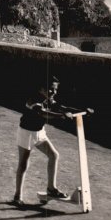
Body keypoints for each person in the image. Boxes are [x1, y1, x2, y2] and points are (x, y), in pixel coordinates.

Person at [12, 77, 75, 206]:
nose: (53, 92)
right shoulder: (32, 100)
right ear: (41, 89)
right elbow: (43, 113)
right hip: (26, 132)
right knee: (23, 164)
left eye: (55, 89)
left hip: (39, 132)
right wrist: (62, 115)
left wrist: (77, 111)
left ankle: (51, 189)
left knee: (54, 155)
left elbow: (60, 106)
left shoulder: (49, 99)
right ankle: (17, 197)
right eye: (51, 89)